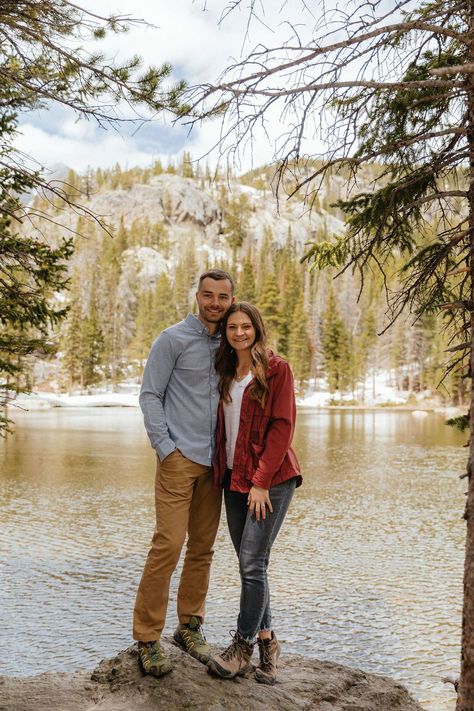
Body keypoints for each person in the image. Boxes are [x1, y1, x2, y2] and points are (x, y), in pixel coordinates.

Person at [133, 269, 235, 678]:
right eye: (208, 295)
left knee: (202, 549)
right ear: (197, 296)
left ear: (231, 300)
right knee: (168, 545)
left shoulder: (231, 342)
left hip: (217, 464)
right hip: (179, 459)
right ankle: (147, 637)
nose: (215, 303)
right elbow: (149, 395)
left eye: (222, 297)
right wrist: (166, 448)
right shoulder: (172, 338)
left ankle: (189, 627)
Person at [207, 302, 302, 685]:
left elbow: (283, 427)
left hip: (271, 480)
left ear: (257, 330)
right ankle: (268, 642)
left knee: (251, 563)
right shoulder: (227, 369)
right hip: (233, 479)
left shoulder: (276, 369)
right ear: (225, 332)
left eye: (246, 326)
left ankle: (241, 647)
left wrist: (262, 482)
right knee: (253, 566)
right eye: (232, 327)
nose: (239, 333)